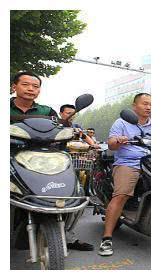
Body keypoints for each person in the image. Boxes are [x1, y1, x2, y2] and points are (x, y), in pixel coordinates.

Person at [10, 71, 94, 251]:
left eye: (35, 86)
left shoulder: (47, 111)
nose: (31, 89)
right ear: (14, 87)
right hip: (10, 157)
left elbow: (59, 131)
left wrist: (72, 134)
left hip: (42, 157)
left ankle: (68, 235)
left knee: (74, 191)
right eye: (26, 84)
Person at [98, 93, 151, 256]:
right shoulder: (121, 123)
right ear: (134, 106)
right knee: (121, 195)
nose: (149, 107)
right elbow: (111, 145)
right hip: (129, 163)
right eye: (145, 104)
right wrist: (118, 140)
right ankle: (107, 238)